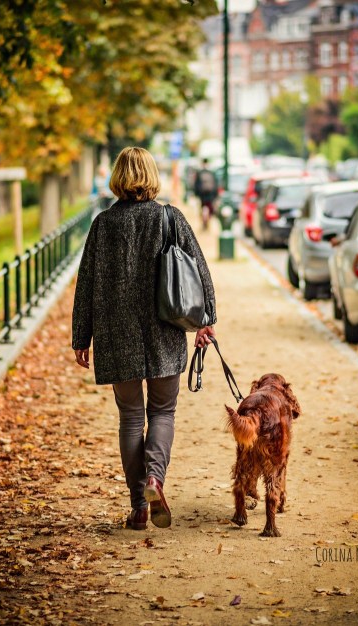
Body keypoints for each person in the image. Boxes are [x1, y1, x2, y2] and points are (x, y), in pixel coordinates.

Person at [71, 146, 217, 531]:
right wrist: (207, 320)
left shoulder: (103, 224)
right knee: (163, 412)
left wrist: (80, 335)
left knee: (131, 418)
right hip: (165, 329)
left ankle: (138, 506)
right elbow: (199, 272)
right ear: (152, 175)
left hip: (117, 334)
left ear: (116, 177)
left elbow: (85, 283)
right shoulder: (171, 217)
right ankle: (155, 479)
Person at [193, 157, 219, 230]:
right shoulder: (211, 173)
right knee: (210, 208)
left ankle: (204, 221)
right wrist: (215, 195)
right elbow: (215, 184)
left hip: (202, 195)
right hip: (210, 195)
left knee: (203, 207)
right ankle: (207, 221)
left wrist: (196, 194)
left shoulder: (199, 173)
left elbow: (196, 185)